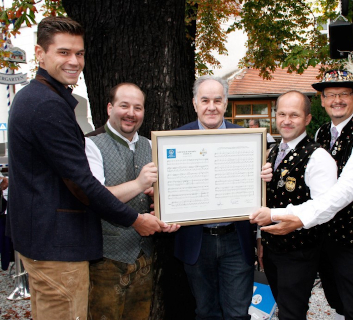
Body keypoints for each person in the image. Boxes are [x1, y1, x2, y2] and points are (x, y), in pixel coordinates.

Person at [7, 16, 170, 320]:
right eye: (64, 52)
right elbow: (82, 184)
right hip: (57, 247)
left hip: (51, 244)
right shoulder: (46, 105)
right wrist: (135, 219)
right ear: (40, 54)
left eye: (79, 53)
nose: (74, 61)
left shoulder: (47, 99)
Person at [251, 48, 353, 320]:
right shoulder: (321, 132)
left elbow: (346, 190)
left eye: (343, 94)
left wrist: (290, 216)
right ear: (322, 100)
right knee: (336, 302)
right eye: (330, 95)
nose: (337, 100)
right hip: (322, 237)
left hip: (352, 239)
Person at [85, 83, 175, 319]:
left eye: (138, 107)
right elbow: (95, 197)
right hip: (105, 259)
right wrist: (139, 184)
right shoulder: (91, 144)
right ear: (109, 108)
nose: (131, 113)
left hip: (143, 257)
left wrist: (168, 213)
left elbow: (162, 196)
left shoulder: (150, 145)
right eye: (124, 106)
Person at [174, 75, 255, 320]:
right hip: (197, 241)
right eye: (205, 100)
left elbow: (257, 192)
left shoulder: (247, 139)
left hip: (236, 241)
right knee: (205, 312)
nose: (212, 106)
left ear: (226, 103)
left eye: (217, 100)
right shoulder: (175, 139)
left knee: (237, 314)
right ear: (194, 103)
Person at [251, 90, 337, 319]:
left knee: (292, 312)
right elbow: (266, 198)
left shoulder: (318, 157)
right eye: (281, 114)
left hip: (299, 252)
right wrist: (261, 238)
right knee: (283, 307)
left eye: (294, 115)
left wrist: (274, 217)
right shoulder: (273, 151)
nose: (286, 121)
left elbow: (324, 208)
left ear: (307, 119)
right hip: (271, 249)